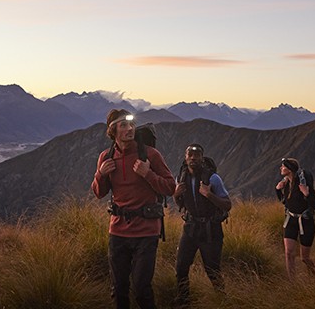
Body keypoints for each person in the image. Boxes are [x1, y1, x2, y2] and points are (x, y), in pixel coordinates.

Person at [91, 109, 176, 309]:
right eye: (123, 125)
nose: (129, 129)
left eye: (131, 125)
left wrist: (148, 174)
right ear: (113, 131)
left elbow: (171, 187)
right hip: (118, 232)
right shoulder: (106, 157)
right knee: (119, 288)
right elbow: (98, 193)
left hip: (146, 232)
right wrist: (100, 175)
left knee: (141, 289)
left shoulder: (150, 155)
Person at [172, 144, 232, 307]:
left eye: (196, 155)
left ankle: (222, 301)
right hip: (190, 228)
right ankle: (184, 302)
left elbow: (227, 205)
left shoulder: (213, 178)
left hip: (210, 230)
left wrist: (209, 194)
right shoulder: (181, 177)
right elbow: (180, 203)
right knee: (181, 267)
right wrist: (176, 195)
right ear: (185, 157)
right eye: (190, 155)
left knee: (212, 270)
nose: (193, 158)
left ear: (202, 158)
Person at [275, 157, 315, 278]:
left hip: (306, 222)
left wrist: (307, 193)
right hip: (291, 220)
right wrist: (278, 190)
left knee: (304, 258)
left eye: (283, 166)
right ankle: (292, 282)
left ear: (289, 169)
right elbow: (286, 203)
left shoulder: (303, 185)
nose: (281, 168)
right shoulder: (287, 184)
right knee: (289, 253)